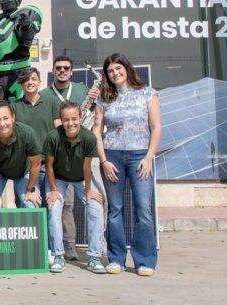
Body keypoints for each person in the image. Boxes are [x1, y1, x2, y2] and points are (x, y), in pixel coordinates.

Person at [94, 53, 161, 277]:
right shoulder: (104, 98)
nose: (115, 73)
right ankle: (116, 258)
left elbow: (156, 126)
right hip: (112, 156)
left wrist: (149, 156)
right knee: (115, 209)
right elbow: (97, 131)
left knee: (143, 208)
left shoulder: (147, 94)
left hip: (139, 156)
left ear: (126, 68)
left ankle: (144, 260)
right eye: (110, 71)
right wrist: (103, 160)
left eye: (118, 68)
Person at [40, 55, 101, 261]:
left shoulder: (83, 90)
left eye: (66, 68)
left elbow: (95, 113)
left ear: (72, 71)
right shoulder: (45, 94)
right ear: (54, 71)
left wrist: (95, 99)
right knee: (62, 205)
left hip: (80, 152)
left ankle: (79, 248)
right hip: (57, 157)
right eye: (58, 68)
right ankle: (61, 249)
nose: (62, 71)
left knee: (94, 204)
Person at [44, 101, 106, 274]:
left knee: (96, 208)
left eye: (74, 119)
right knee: (54, 208)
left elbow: (87, 168)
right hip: (59, 178)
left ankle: (94, 257)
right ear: (61, 120)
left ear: (80, 118)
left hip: (81, 178)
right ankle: (58, 255)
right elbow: (49, 165)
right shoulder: (53, 137)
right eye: (66, 119)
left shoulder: (89, 138)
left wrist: (88, 192)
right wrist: (54, 190)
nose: (70, 123)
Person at [0, 102, 43, 209]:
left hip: (23, 171)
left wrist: (30, 190)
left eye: (6, 118)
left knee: (31, 204)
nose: (2, 123)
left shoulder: (27, 133)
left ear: (13, 118)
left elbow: (36, 164)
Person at [11, 68, 60, 200]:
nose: (30, 82)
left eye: (33, 79)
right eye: (26, 80)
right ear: (21, 83)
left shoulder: (52, 102)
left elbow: (59, 129)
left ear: (39, 82)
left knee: (51, 204)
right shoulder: (14, 106)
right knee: (28, 204)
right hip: (25, 165)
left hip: (48, 163)